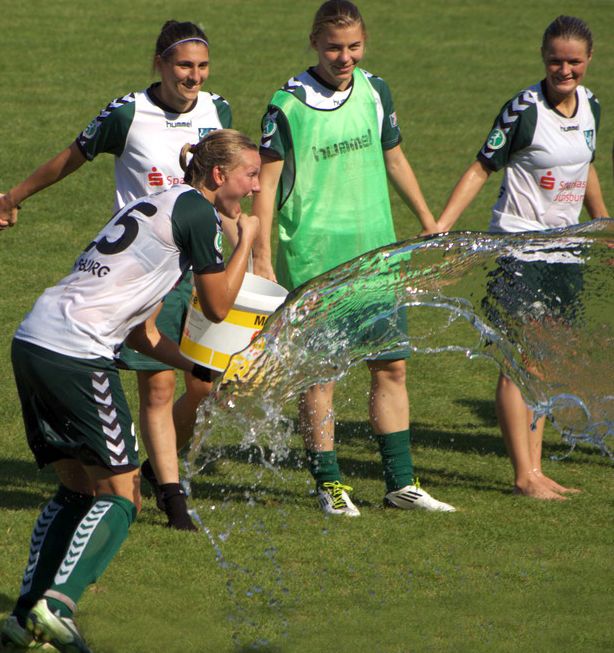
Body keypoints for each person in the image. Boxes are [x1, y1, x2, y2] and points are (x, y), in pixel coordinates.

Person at [0, 130, 261, 652]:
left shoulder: (155, 201)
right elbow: (217, 306)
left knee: (76, 489)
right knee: (123, 495)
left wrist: (201, 368)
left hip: (33, 340)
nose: (254, 188)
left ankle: (24, 615)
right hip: (77, 352)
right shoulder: (198, 214)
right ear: (217, 176)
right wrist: (248, 239)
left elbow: (144, 334)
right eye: (249, 175)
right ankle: (58, 607)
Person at [0, 20, 234, 530]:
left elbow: (228, 186)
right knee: (157, 383)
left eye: (200, 66)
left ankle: (153, 473)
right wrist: (14, 197)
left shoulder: (219, 111)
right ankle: (173, 498)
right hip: (141, 271)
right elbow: (71, 157)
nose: (192, 77)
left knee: (201, 384)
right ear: (159, 64)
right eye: (182, 66)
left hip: (198, 263)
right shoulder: (129, 113)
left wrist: (247, 251)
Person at [252, 0, 455, 516]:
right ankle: (329, 484)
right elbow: (267, 187)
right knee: (321, 375)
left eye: (354, 47)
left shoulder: (375, 89)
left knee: (391, 368)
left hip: (377, 256)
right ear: (315, 43)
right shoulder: (287, 104)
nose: (345, 58)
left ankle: (400, 484)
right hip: (316, 259)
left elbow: (394, 156)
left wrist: (428, 219)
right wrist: (262, 257)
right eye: (335, 47)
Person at [437, 15, 609, 499]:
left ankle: (535, 469)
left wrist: (603, 225)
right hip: (521, 249)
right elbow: (481, 167)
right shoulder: (524, 110)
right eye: (555, 59)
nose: (564, 69)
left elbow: (587, 168)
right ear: (543, 57)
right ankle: (523, 475)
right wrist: (442, 225)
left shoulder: (592, 105)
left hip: (567, 251)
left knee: (545, 362)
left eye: (574, 61)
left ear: (589, 60)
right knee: (521, 362)